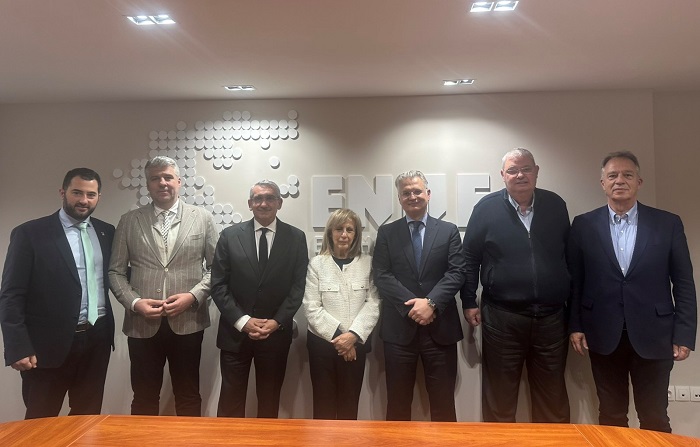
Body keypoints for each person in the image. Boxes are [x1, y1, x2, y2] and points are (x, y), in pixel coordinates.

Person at [568, 151, 697, 433]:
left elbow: (684, 282)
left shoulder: (668, 224)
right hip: (603, 333)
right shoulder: (583, 225)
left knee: (654, 416)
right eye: (612, 175)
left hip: (655, 334)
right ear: (603, 183)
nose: (620, 181)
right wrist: (575, 325)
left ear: (639, 181)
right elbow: (577, 281)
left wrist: (685, 333)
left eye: (627, 175)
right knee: (611, 415)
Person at [462, 148, 570, 423]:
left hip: (552, 318)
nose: (520, 175)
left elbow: (568, 255)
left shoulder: (556, 205)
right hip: (503, 318)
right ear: (503, 175)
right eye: (512, 170)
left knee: (553, 399)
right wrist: (468, 301)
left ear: (536, 171)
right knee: (500, 400)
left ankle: (553, 443)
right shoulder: (485, 208)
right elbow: (470, 258)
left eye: (526, 169)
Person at [0, 168, 115, 419]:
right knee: (41, 420)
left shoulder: (107, 232)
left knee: (87, 418)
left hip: (97, 340)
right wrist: (17, 346)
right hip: (47, 346)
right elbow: (11, 293)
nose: (84, 200)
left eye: (91, 194)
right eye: (77, 193)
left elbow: (118, 276)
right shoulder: (30, 233)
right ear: (63, 192)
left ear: (98, 197)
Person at [109, 156, 218, 416]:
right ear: (147, 184)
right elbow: (115, 271)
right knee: (144, 397)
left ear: (179, 181)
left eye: (168, 177)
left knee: (188, 395)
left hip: (188, 321)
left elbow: (217, 269)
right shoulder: (129, 221)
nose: (162, 183)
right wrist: (135, 303)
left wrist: (193, 296)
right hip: (142, 323)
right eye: (155, 178)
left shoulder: (202, 218)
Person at [372, 170, 465, 421]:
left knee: (444, 405)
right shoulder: (387, 233)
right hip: (399, 332)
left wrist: (431, 303)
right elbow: (381, 275)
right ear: (399, 198)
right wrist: (414, 307)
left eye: (417, 191)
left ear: (428, 194)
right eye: (406, 193)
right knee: (398, 405)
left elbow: (457, 272)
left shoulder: (448, 231)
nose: (412, 196)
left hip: (441, 330)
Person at [211, 180, 308, 418]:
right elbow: (218, 284)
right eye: (258, 198)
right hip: (235, 334)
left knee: (269, 403)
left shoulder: (296, 238)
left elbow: (298, 287)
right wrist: (243, 321)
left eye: (270, 198)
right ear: (250, 203)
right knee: (230, 403)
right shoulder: (229, 236)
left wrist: (277, 321)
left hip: (275, 335)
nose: (264, 203)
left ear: (279, 203)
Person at [302, 208, 380, 420]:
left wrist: (352, 336)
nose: (344, 234)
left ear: (356, 234)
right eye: (338, 229)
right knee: (323, 409)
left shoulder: (368, 263)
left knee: (349, 409)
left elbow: (374, 303)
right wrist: (341, 339)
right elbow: (311, 306)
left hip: (356, 346)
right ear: (330, 233)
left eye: (349, 229)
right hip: (322, 347)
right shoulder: (317, 264)